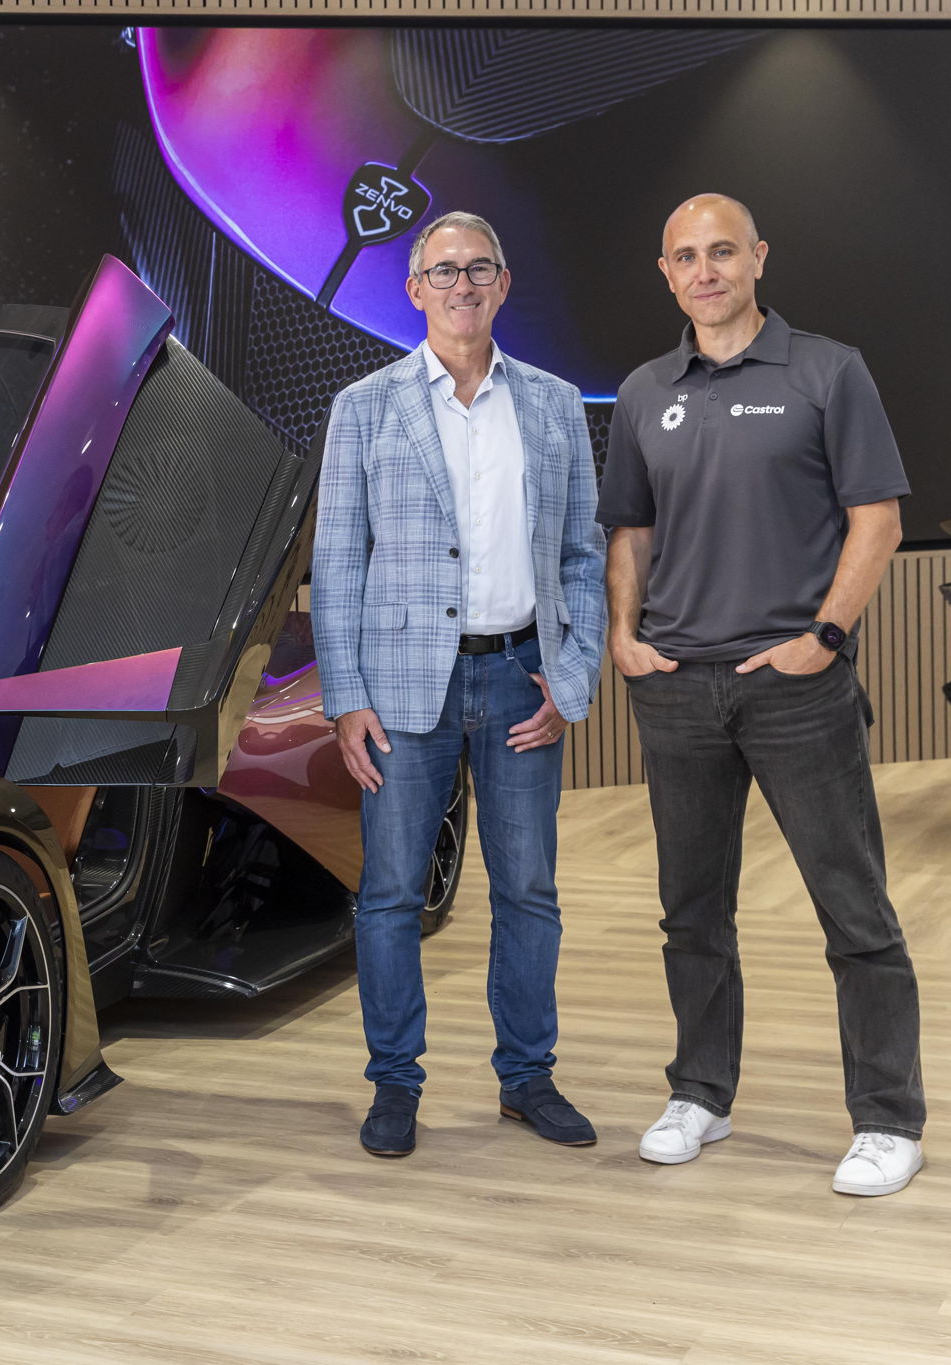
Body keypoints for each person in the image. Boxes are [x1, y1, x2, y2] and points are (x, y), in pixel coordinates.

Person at [599, 194, 924, 1196]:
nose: (704, 271)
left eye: (722, 252)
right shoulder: (642, 390)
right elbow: (631, 531)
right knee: (691, 912)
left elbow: (876, 520)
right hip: (675, 690)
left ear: (757, 259)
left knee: (852, 907)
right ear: (666, 273)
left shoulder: (827, 370)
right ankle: (699, 1092)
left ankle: (888, 1118)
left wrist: (822, 639)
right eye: (685, 257)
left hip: (794, 691)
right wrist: (622, 634)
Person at [311, 211, 607, 1158]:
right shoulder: (365, 406)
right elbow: (336, 562)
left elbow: (583, 554)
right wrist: (345, 697)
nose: (462, 284)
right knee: (392, 895)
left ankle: (527, 1077)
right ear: (414, 290)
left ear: (505, 283)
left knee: (528, 892)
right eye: (443, 270)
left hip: (522, 678)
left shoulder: (555, 403)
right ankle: (394, 1083)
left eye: (480, 267)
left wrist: (572, 675)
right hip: (403, 691)